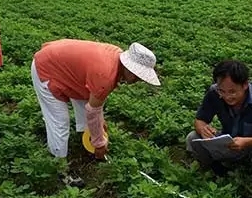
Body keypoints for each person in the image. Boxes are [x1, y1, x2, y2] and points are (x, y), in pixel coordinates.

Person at [31, 38, 161, 184]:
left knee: (88, 108)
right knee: (60, 122)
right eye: (138, 76)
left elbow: (94, 102)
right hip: (47, 67)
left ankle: (86, 141)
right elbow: (93, 110)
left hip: (65, 65)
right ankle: (60, 168)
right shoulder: (105, 76)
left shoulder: (115, 56)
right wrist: (99, 143)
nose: (139, 80)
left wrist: (99, 123)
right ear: (129, 68)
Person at [185, 59, 252, 179]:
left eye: (232, 92)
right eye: (222, 91)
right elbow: (199, 120)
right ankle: (214, 170)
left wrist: (247, 141)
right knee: (192, 137)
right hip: (229, 143)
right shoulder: (214, 93)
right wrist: (203, 129)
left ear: (245, 85)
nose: (227, 96)